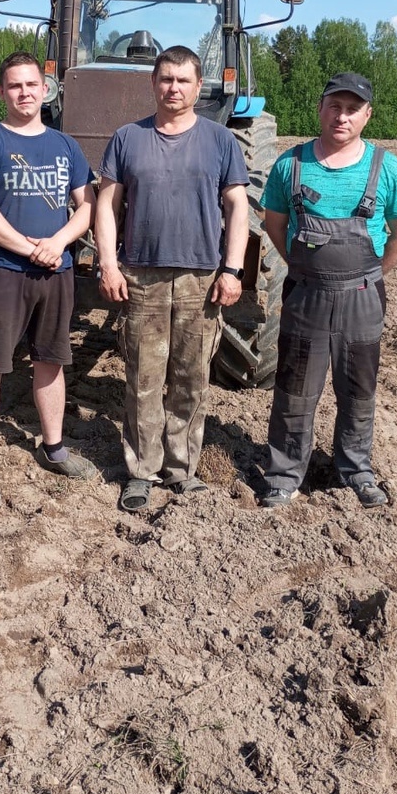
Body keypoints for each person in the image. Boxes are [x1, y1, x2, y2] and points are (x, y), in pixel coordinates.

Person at [95, 45, 249, 512]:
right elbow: (107, 205)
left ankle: (182, 470)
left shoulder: (221, 141)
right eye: (166, 79)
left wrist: (233, 268)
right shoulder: (127, 138)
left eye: (183, 81)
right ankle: (142, 471)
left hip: (201, 277)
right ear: (153, 83)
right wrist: (107, 262)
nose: (174, 88)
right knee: (143, 377)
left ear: (198, 87)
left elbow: (237, 206)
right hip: (142, 275)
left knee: (190, 378)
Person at [259, 72, 397, 509]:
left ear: (367, 115)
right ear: (320, 108)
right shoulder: (289, 166)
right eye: (334, 106)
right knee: (294, 390)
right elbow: (274, 225)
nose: (341, 116)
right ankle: (284, 475)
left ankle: (357, 470)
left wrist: (371, 273)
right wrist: (302, 266)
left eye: (352, 109)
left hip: (362, 297)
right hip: (305, 295)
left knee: (359, 388)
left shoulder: (387, 168)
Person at [0, 51, 98, 510]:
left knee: (51, 361)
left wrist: (57, 243)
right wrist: (32, 247)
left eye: (31, 84)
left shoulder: (66, 146)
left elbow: (87, 205)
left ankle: (53, 447)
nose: (24, 92)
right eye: (14, 85)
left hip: (55, 272)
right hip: (3, 272)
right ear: (2, 92)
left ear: (45, 89)